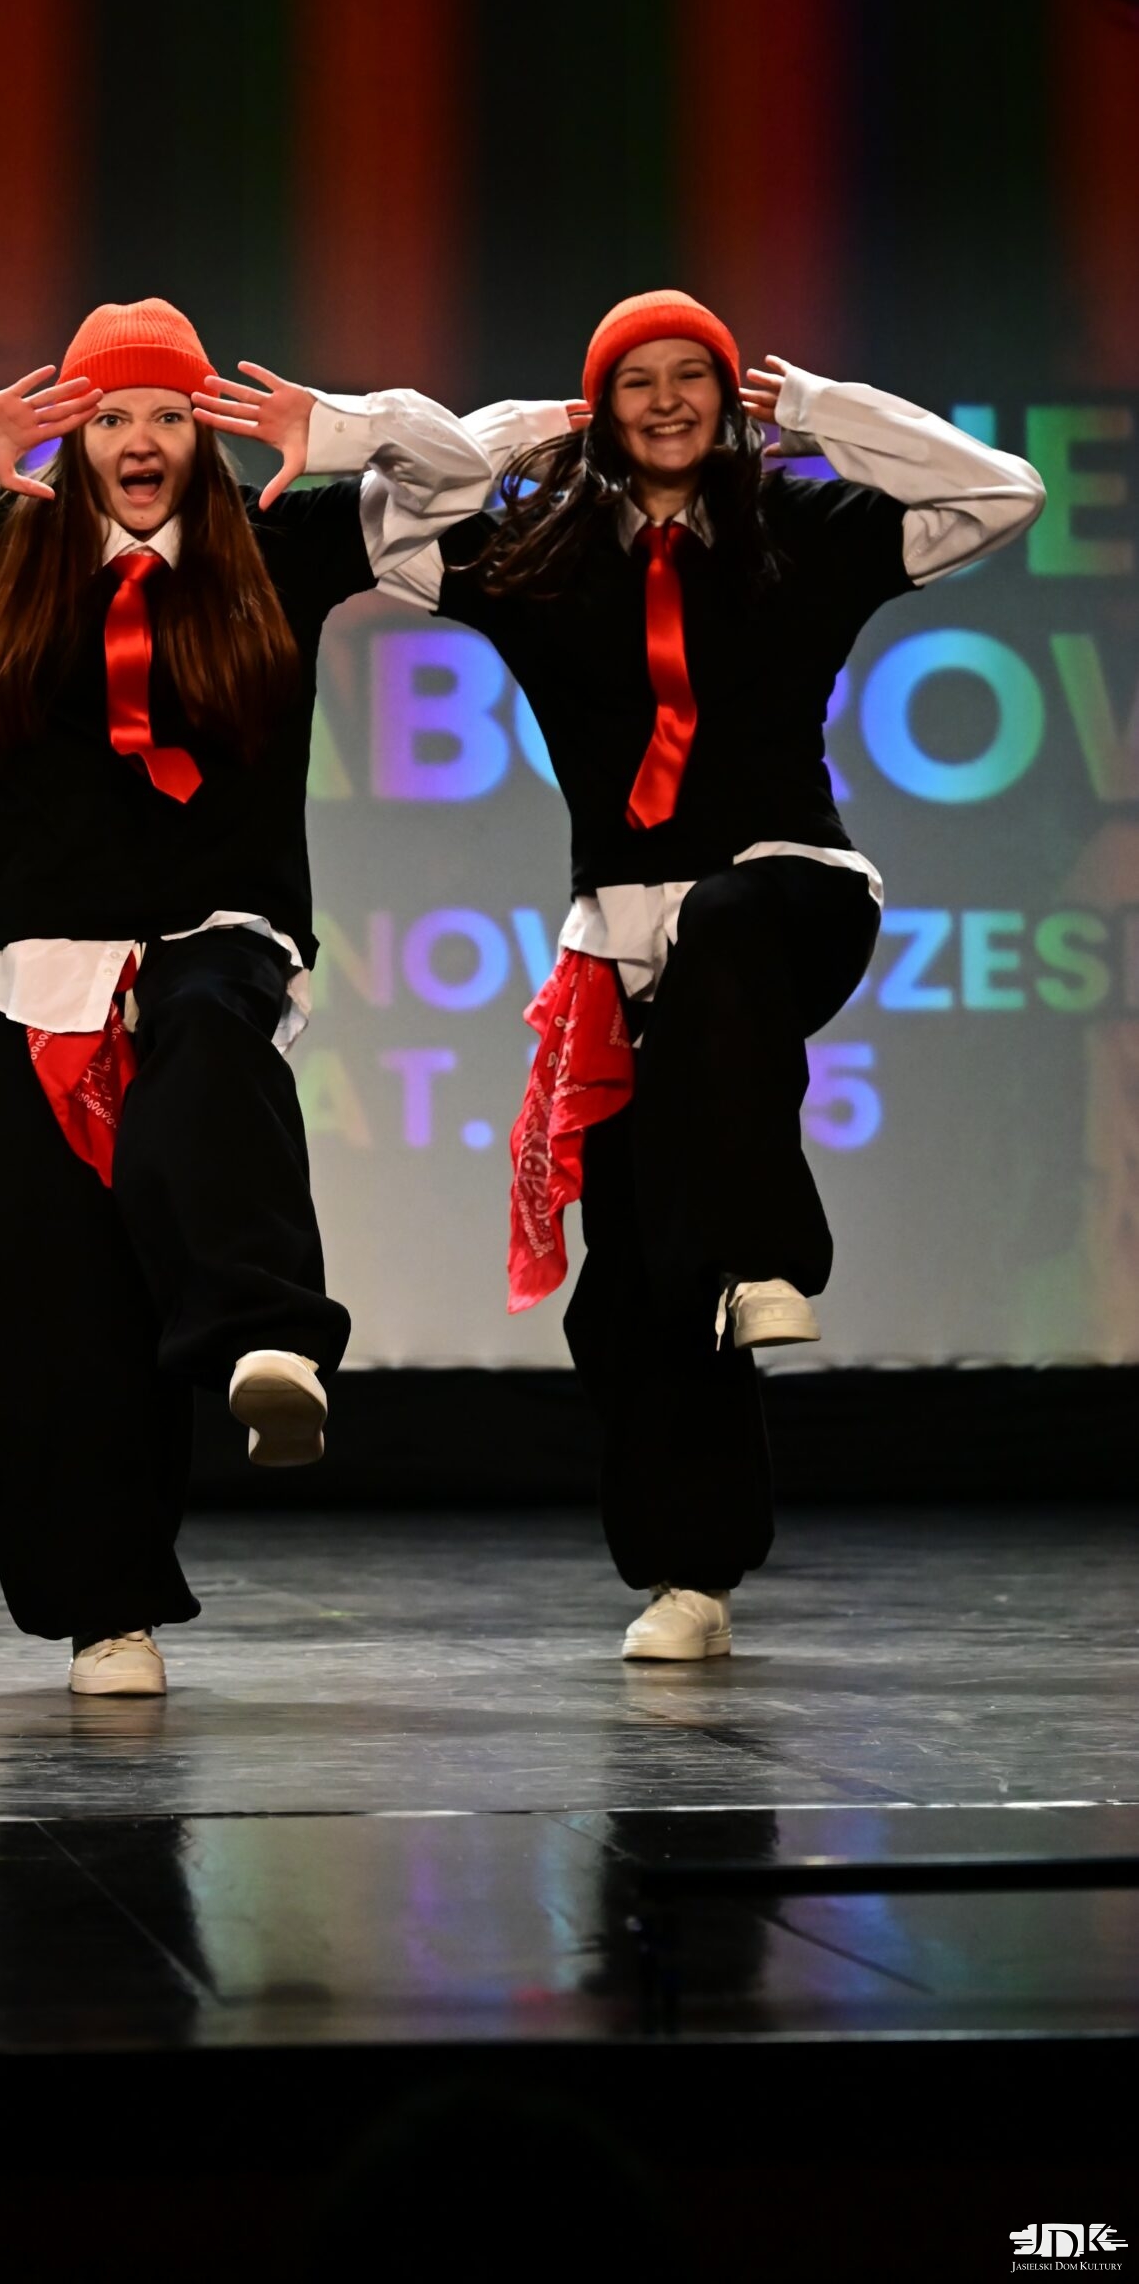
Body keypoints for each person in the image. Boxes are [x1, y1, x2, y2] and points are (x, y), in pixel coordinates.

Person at [0, 298, 490, 1695]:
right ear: (76, 433)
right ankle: (110, 1611)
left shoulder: (274, 549)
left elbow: (458, 479)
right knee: (42, 1306)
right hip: (38, 979)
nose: (142, 442)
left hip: (215, 936)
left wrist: (337, 430)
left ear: (204, 436)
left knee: (208, 1043)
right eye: (111, 417)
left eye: (168, 415)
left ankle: (268, 1332)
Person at [382, 289, 1045, 1661]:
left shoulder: (798, 529)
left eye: (697, 376)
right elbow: (390, 537)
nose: (670, 401)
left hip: (793, 894)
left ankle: (767, 1255)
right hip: (624, 952)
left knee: (730, 928)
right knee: (630, 1294)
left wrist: (819, 411)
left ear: (731, 399)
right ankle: (689, 1576)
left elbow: (1003, 495)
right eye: (637, 381)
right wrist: (512, 434)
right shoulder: (546, 558)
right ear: (603, 411)